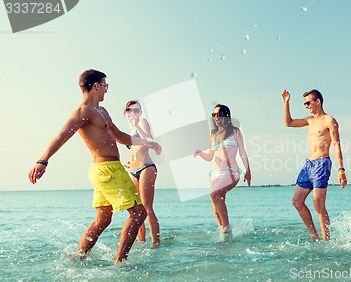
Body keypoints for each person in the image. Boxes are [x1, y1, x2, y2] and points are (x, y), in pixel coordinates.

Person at [27, 69, 162, 264]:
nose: (106, 90)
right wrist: (42, 161)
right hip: (108, 171)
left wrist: (147, 143)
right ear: (96, 86)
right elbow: (61, 135)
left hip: (106, 171)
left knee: (103, 220)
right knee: (139, 213)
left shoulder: (102, 111)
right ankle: (120, 264)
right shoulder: (83, 111)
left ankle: (78, 257)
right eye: (105, 86)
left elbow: (120, 136)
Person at [281, 89, 347, 241]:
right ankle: (313, 235)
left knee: (318, 204)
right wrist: (286, 103)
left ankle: (326, 240)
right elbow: (288, 123)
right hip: (309, 165)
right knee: (296, 201)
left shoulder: (329, 120)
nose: (306, 106)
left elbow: (336, 144)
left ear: (318, 101)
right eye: (304, 103)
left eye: (308, 102)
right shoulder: (309, 120)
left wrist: (341, 169)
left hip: (322, 164)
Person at [193, 104, 251, 239]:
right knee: (215, 200)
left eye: (218, 114)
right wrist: (200, 153)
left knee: (214, 193)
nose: (216, 117)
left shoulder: (235, 131)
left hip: (231, 171)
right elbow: (210, 157)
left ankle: (226, 230)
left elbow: (242, 152)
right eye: (213, 115)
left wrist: (248, 170)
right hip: (215, 172)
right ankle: (223, 233)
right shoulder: (213, 133)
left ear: (226, 116)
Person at [123, 100, 160, 248]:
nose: (133, 113)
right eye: (129, 110)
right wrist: (129, 162)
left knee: (147, 207)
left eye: (136, 110)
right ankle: (141, 242)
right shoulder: (129, 129)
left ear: (140, 112)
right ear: (126, 112)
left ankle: (156, 243)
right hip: (133, 170)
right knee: (137, 209)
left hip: (146, 167)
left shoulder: (142, 122)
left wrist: (137, 124)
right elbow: (134, 150)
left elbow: (148, 140)